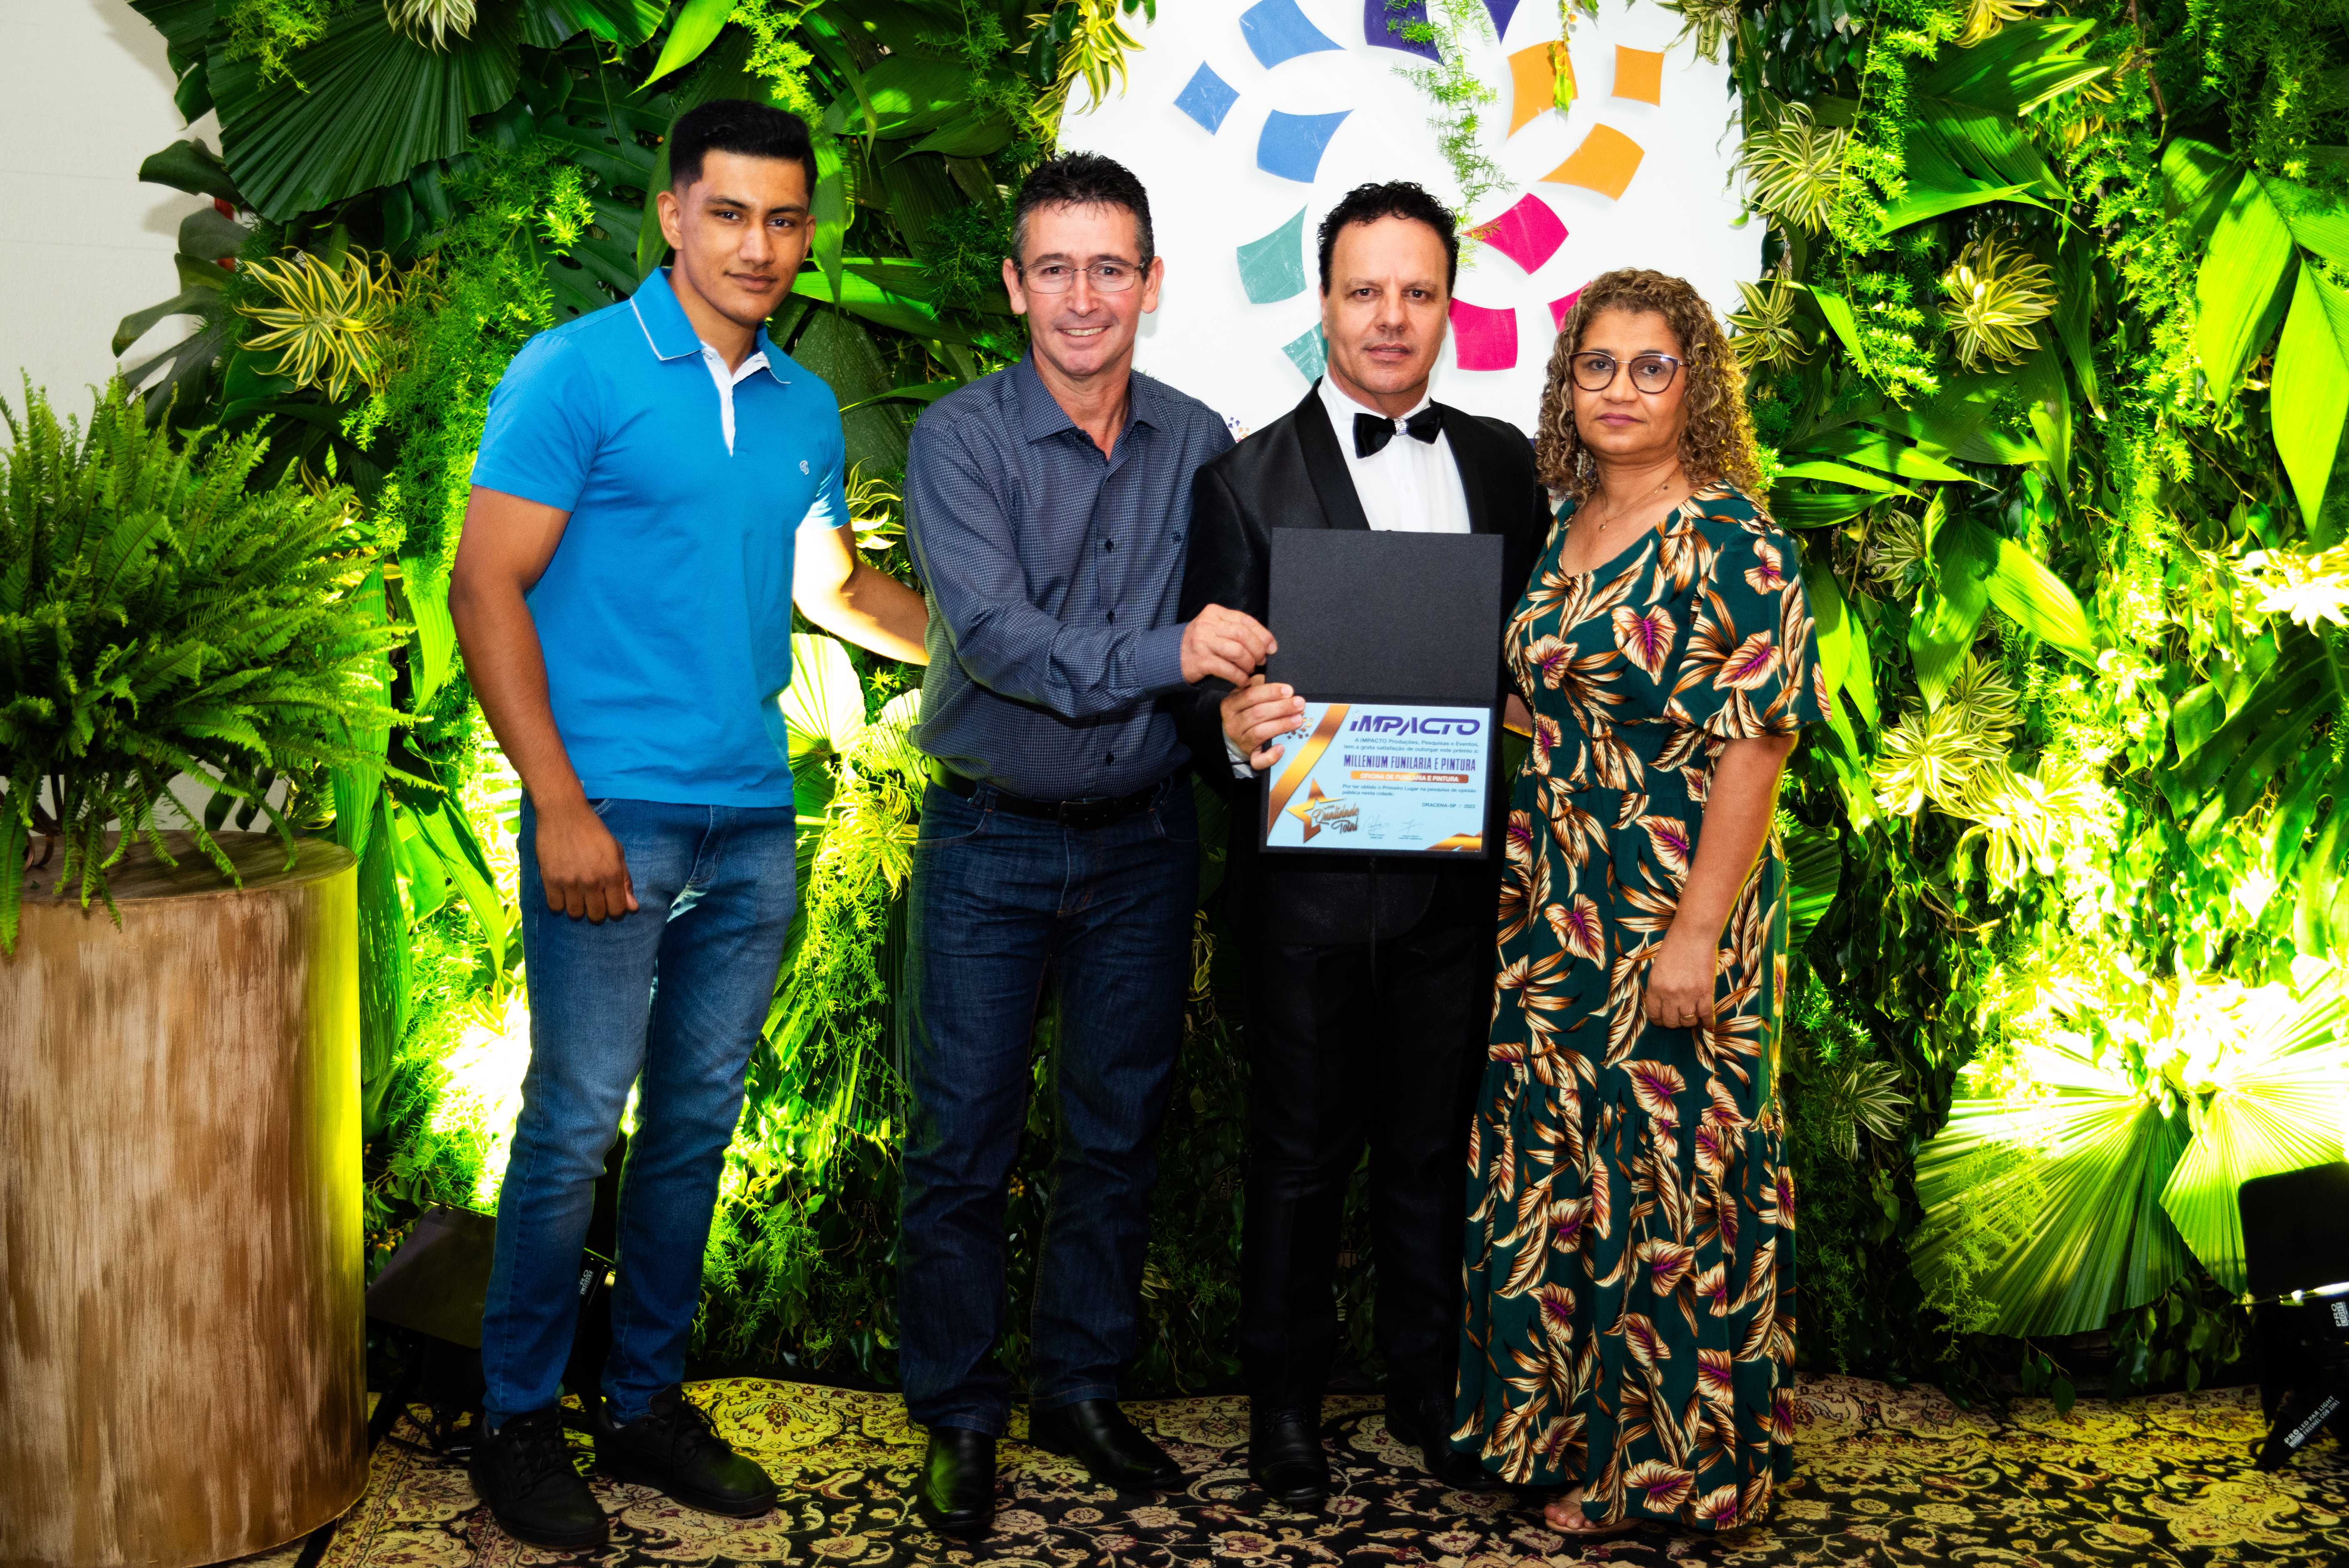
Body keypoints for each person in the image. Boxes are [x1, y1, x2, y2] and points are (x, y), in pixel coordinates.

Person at [447, 99, 928, 1551]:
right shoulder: (576, 371)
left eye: (784, 220)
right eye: (729, 214)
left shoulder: (801, 406)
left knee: (695, 1126)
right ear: (672, 215)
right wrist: (559, 804)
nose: (757, 246)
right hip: (610, 817)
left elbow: (829, 587)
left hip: (752, 822)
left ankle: (642, 1402)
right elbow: (484, 585)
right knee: (574, 1121)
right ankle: (516, 1420)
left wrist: (1004, 649)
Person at [895, 152, 1272, 1540]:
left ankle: (1079, 1387)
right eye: (1054, 267)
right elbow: (998, 640)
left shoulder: (1203, 439)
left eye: (1110, 267)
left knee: (1117, 1131)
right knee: (961, 1142)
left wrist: (1253, 701)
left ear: (1152, 284)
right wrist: (1176, 652)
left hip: (1145, 842)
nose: (1082, 297)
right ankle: (958, 1411)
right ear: (1014, 285)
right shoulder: (959, 441)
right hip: (989, 838)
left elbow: (1242, 628)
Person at [1174, 181, 1550, 1507]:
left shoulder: (1505, 465)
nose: (1392, 317)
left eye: (1418, 292)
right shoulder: (1241, 481)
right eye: (1365, 290)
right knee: (1296, 1158)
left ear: (1449, 307)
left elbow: (1531, 659)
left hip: (1455, 890)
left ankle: (1427, 1384)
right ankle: (1283, 1404)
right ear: (1323, 302)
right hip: (1308, 897)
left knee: (1431, 1149)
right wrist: (1234, 728)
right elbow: (1196, 690)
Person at [1448, 269, 1822, 1537]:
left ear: (1693, 385)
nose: (1620, 389)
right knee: (1561, 1169)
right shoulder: (1570, 524)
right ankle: (1565, 1438)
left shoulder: (1734, 540)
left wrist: (1698, 933)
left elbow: (1758, 743)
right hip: (1555, 903)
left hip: (1670, 905)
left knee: (1665, 1180)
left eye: (1650, 366)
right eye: (1596, 366)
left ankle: (1666, 1473)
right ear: (1568, 387)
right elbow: (1537, 701)